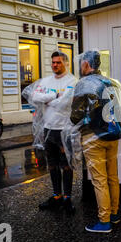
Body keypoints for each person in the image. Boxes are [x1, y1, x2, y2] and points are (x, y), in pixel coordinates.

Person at [70, 50, 121, 234]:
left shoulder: (83, 84)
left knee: (99, 180)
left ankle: (104, 221)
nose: (80, 66)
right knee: (113, 177)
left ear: (86, 64)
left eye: (81, 63)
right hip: (112, 135)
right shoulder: (111, 82)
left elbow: (75, 115)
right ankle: (115, 214)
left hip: (93, 137)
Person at [31, 51, 78, 215]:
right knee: (51, 165)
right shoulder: (46, 80)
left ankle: (67, 198)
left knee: (66, 166)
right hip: (48, 129)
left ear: (66, 63)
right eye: (53, 62)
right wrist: (54, 95)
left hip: (64, 130)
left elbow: (64, 103)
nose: (55, 65)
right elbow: (34, 97)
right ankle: (56, 196)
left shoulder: (72, 81)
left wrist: (48, 99)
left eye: (58, 62)